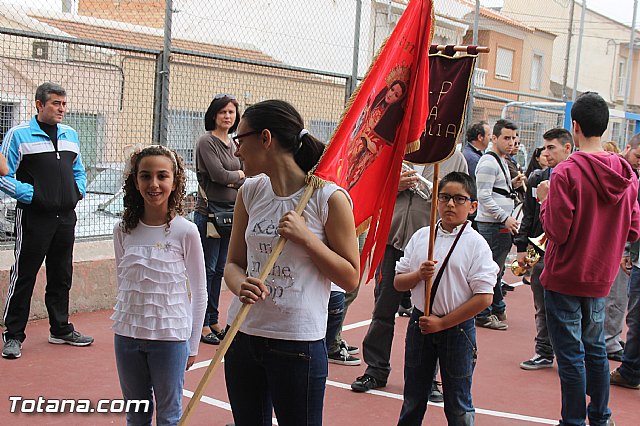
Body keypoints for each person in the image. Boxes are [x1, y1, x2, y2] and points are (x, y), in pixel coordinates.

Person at [223, 100, 359, 425]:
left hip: (297, 344)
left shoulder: (328, 198)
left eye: (240, 140)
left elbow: (351, 277)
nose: (237, 151)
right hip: (243, 334)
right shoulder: (250, 191)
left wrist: (307, 238)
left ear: (265, 138)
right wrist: (241, 283)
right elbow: (232, 264)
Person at [537, 92, 640, 426]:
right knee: (595, 348)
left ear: (575, 126)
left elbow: (556, 230)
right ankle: (600, 416)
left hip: (566, 273)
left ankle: (572, 420)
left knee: (570, 354)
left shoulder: (565, 173)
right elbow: (634, 229)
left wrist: (544, 201)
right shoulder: (627, 174)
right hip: (600, 275)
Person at [351, 152, 468, 396]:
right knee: (383, 309)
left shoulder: (452, 156)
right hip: (391, 241)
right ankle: (376, 369)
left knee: (431, 312)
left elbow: (463, 199)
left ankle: (429, 377)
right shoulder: (399, 152)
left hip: (431, 246)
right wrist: (395, 184)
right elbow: (372, 190)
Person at [112, 145, 207, 425]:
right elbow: (123, 281)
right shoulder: (122, 230)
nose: (153, 184)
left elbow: (200, 291)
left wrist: (192, 345)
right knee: (136, 414)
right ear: (135, 181)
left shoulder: (186, 231)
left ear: (175, 181)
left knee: (169, 415)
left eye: (162, 176)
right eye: (145, 176)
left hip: (170, 338)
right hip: (127, 335)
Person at [395, 171, 498, 425]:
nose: (450, 204)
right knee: (413, 397)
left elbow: (484, 297)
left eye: (459, 199)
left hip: (456, 329)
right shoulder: (422, 236)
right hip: (420, 324)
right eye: (444, 197)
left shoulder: (477, 244)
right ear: (436, 201)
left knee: (458, 402)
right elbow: (398, 281)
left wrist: (442, 323)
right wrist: (418, 274)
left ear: (472, 206)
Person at [1, 82, 92, 360]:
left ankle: (60, 329)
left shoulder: (70, 134)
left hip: (65, 217)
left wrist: (78, 190)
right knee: (25, 274)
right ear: (39, 105)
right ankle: (14, 335)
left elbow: (79, 169)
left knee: (61, 274)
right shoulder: (19, 135)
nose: (62, 109)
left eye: (64, 104)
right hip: (33, 217)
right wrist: (32, 195)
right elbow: (4, 175)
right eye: (56, 103)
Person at [513, 128, 572, 370]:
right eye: (544, 148)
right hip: (540, 246)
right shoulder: (538, 178)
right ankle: (544, 351)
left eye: (551, 148)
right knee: (540, 297)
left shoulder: (573, 178)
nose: (545, 153)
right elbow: (529, 214)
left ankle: (569, 354)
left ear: (567, 148)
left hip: (566, 250)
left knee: (567, 305)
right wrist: (521, 247)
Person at [194, 94, 245, 345]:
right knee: (207, 269)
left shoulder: (235, 142)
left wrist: (234, 176)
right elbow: (218, 174)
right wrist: (239, 174)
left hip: (232, 215)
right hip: (211, 216)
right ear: (214, 115)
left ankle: (213, 319)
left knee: (221, 269)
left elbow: (237, 173)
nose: (227, 116)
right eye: (223, 112)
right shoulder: (207, 142)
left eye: (231, 112)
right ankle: (202, 324)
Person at [474, 118, 524, 331]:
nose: (511, 142)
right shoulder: (488, 161)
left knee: (497, 269)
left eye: (514, 138)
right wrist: (505, 217)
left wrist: (511, 185)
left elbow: (493, 190)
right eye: (506, 138)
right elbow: (483, 196)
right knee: (491, 269)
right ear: (494, 138)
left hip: (500, 224)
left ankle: (495, 307)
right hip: (494, 225)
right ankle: (485, 313)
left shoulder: (500, 160)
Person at [345, 80, 407, 189]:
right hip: (357, 142)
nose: (391, 95)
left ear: (398, 100)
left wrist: (367, 141)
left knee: (355, 175)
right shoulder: (377, 104)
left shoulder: (391, 119)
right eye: (392, 90)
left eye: (396, 95)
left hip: (368, 150)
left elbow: (377, 146)